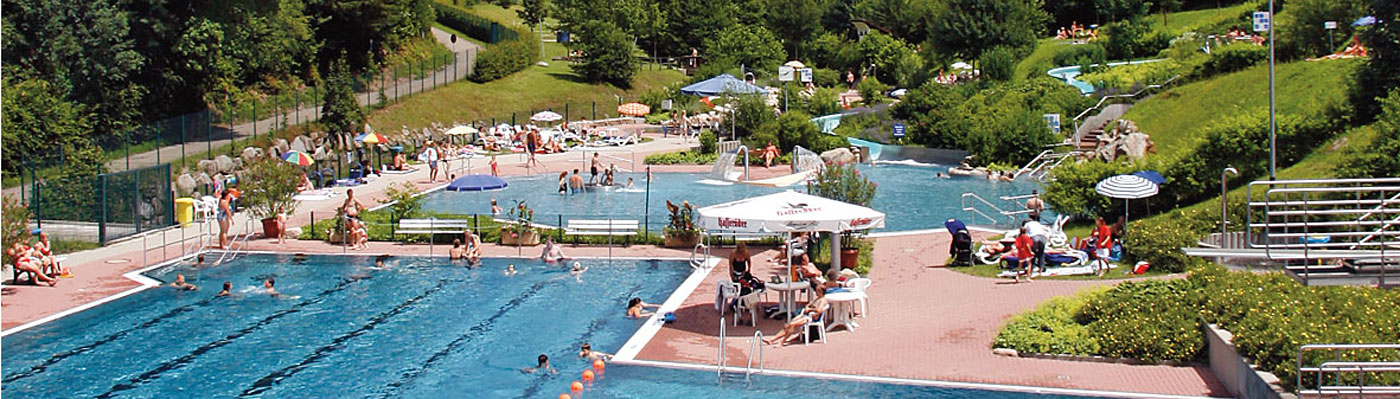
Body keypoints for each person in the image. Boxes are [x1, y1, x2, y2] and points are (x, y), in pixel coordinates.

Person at [763, 286, 829, 346]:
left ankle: (782, 342)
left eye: (817, 291)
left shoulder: (822, 300)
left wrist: (809, 309)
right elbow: (808, 304)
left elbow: (819, 310)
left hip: (811, 317)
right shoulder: (817, 299)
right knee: (788, 325)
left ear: (821, 292)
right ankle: (772, 339)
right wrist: (807, 307)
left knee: (792, 325)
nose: (815, 292)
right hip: (806, 315)